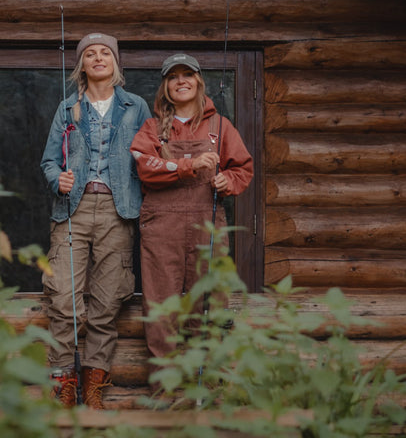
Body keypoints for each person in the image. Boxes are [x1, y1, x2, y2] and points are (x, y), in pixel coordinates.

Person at [40, 31, 151, 408]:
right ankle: (63, 383)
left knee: (107, 302)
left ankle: (94, 386)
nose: (99, 58)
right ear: (82, 64)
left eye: (106, 53)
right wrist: (60, 180)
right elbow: (49, 161)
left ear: (115, 63)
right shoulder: (67, 108)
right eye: (91, 54)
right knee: (64, 300)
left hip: (119, 213)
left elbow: (152, 155)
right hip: (73, 209)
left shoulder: (136, 106)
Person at [130, 53, 253, 362]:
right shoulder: (152, 127)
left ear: (199, 82)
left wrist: (227, 181)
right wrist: (190, 164)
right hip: (161, 228)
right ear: (165, 86)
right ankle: (163, 389)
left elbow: (243, 169)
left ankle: (206, 390)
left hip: (206, 225)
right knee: (160, 308)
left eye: (187, 74)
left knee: (209, 302)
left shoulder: (220, 127)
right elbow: (146, 166)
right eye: (173, 77)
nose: (180, 81)